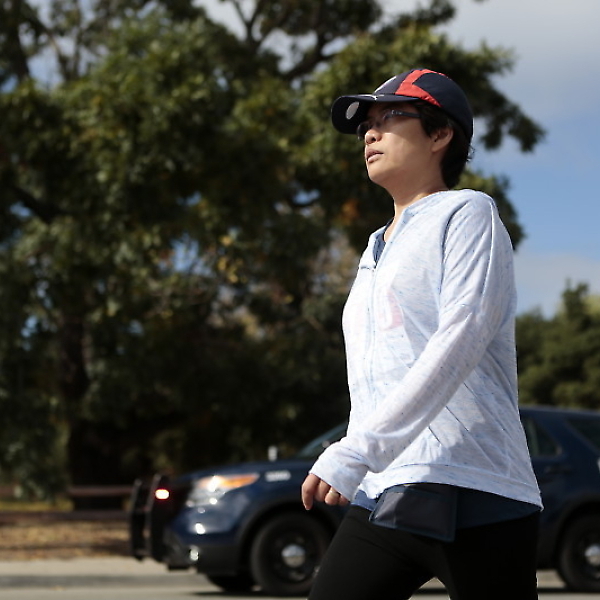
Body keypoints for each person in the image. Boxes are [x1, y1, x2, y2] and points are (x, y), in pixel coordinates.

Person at [301, 68, 542, 600]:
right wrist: (363, 457)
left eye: (390, 117)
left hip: (476, 489)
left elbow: (460, 336)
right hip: (385, 490)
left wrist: (356, 450)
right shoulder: (373, 248)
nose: (370, 133)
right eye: (366, 125)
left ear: (440, 134)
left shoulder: (468, 212)